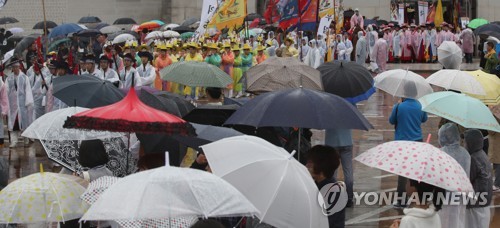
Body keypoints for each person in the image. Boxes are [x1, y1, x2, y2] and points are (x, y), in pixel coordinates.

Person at [389, 83, 428, 208]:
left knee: (402, 171)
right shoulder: (419, 105)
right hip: (417, 140)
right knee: (416, 169)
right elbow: (424, 119)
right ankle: (420, 195)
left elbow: (391, 121)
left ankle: (401, 198)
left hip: (402, 142)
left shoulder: (399, 106)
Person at [436, 123, 470, 228]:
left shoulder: (439, 153)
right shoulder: (465, 153)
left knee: (442, 222)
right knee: (457, 220)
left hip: (443, 195)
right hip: (460, 194)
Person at [305, 145, 345, 228]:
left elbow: (324, 223)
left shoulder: (333, 193)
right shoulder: (318, 185)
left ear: (320, 166)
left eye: (310, 163)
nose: (307, 166)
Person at [463, 129, 493, 228]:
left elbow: (467, 180)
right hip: (484, 201)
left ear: (471, 143)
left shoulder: (473, 159)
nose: (464, 144)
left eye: (465, 142)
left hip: (475, 204)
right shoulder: (482, 155)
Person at [5, 59, 34, 148]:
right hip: (12, 105)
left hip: (22, 105)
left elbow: (28, 91)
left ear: (19, 67)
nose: (15, 69)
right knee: (14, 124)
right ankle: (14, 141)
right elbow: (6, 91)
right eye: (13, 67)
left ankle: (25, 138)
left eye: (16, 67)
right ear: (12, 68)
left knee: (24, 122)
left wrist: (28, 103)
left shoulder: (24, 77)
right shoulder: (9, 78)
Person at [489, 115, 500, 192]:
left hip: (497, 145)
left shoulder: (494, 118)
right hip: (497, 145)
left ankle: (497, 184)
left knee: (497, 165)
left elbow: (491, 131)